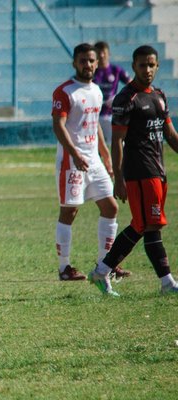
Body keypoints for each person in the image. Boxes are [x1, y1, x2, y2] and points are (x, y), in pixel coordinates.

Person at [88, 45, 178, 296]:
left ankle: (102, 270)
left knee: (141, 225)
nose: (147, 70)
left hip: (158, 171)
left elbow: (169, 134)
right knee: (150, 225)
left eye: (151, 65)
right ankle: (167, 283)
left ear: (157, 66)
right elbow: (117, 140)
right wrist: (119, 177)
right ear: (133, 66)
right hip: (139, 172)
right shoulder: (126, 99)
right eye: (142, 65)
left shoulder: (159, 96)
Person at [51, 43, 122, 282]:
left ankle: (106, 265)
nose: (88, 65)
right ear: (74, 63)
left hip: (93, 161)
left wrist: (105, 155)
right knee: (69, 212)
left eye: (91, 60)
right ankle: (64, 268)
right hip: (72, 163)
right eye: (83, 60)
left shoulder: (96, 91)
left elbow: (96, 127)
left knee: (111, 208)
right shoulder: (65, 91)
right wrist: (74, 153)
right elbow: (58, 126)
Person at [93, 41, 132, 146]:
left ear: (108, 54)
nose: (101, 56)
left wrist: (119, 97)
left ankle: (119, 162)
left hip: (111, 114)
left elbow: (132, 85)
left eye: (103, 52)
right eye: (98, 53)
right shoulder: (91, 72)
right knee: (95, 145)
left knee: (117, 143)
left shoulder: (116, 70)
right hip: (94, 114)